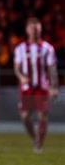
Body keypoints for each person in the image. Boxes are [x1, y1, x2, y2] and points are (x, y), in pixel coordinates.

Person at [13, 17, 58, 153]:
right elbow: (17, 68)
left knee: (42, 115)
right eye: (32, 29)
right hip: (27, 88)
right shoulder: (20, 48)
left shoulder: (47, 48)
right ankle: (35, 138)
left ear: (41, 30)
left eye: (37, 29)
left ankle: (39, 145)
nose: (35, 32)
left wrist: (54, 87)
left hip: (42, 87)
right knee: (25, 116)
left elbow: (52, 69)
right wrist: (21, 77)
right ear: (27, 30)